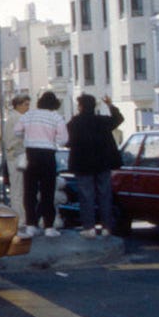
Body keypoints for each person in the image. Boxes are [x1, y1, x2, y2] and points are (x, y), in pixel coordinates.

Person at [66, 95, 123, 238]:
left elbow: (67, 141)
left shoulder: (75, 123)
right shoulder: (102, 120)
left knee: (86, 196)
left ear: (81, 106)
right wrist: (110, 105)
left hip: (83, 164)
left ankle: (89, 227)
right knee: (105, 195)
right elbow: (119, 118)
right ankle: (106, 227)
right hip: (103, 163)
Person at [13, 91, 68, 238]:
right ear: (54, 104)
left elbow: (17, 131)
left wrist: (28, 136)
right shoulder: (56, 117)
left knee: (29, 191)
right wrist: (51, 139)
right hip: (47, 156)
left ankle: (31, 225)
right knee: (47, 192)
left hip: (30, 154)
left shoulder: (28, 115)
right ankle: (49, 226)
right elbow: (63, 140)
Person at [4, 95, 31, 227]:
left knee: (16, 189)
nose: (28, 107)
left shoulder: (11, 118)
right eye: (26, 104)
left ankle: (20, 217)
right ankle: (20, 219)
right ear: (18, 105)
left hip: (12, 156)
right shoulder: (19, 119)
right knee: (18, 189)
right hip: (18, 156)